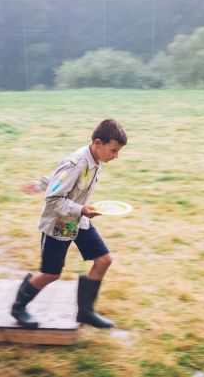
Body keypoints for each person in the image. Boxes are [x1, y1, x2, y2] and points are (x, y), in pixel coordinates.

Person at [12, 119, 127, 329]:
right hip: (59, 224)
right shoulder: (77, 162)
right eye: (113, 150)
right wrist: (80, 209)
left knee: (104, 260)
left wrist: (39, 184)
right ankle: (18, 307)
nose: (116, 156)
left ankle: (85, 312)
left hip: (78, 221)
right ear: (98, 143)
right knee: (51, 273)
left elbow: (60, 178)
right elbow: (53, 199)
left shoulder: (96, 160)